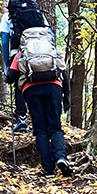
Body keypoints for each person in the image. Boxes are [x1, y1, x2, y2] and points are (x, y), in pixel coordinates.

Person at [6, 27, 72, 177]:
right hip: (54, 87)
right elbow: (63, 72)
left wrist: (7, 73)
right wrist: (66, 97)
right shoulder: (52, 50)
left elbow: (11, 77)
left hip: (31, 89)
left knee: (40, 129)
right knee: (55, 126)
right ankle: (61, 157)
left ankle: (48, 169)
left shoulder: (22, 53)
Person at [0, 0, 51, 132]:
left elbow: (5, 41)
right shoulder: (39, 14)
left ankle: (21, 119)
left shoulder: (7, 17)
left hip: (18, 54)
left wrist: (7, 64)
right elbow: (49, 35)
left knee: (19, 85)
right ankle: (42, 120)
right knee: (39, 82)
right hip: (40, 53)